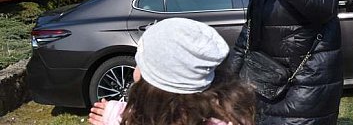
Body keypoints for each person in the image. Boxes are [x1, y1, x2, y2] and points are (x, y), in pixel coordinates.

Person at [88, 17, 255, 125]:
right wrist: (119, 114)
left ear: (157, 88)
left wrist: (117, 119)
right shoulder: (222, 116)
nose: (136, 70)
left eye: (141, 63)